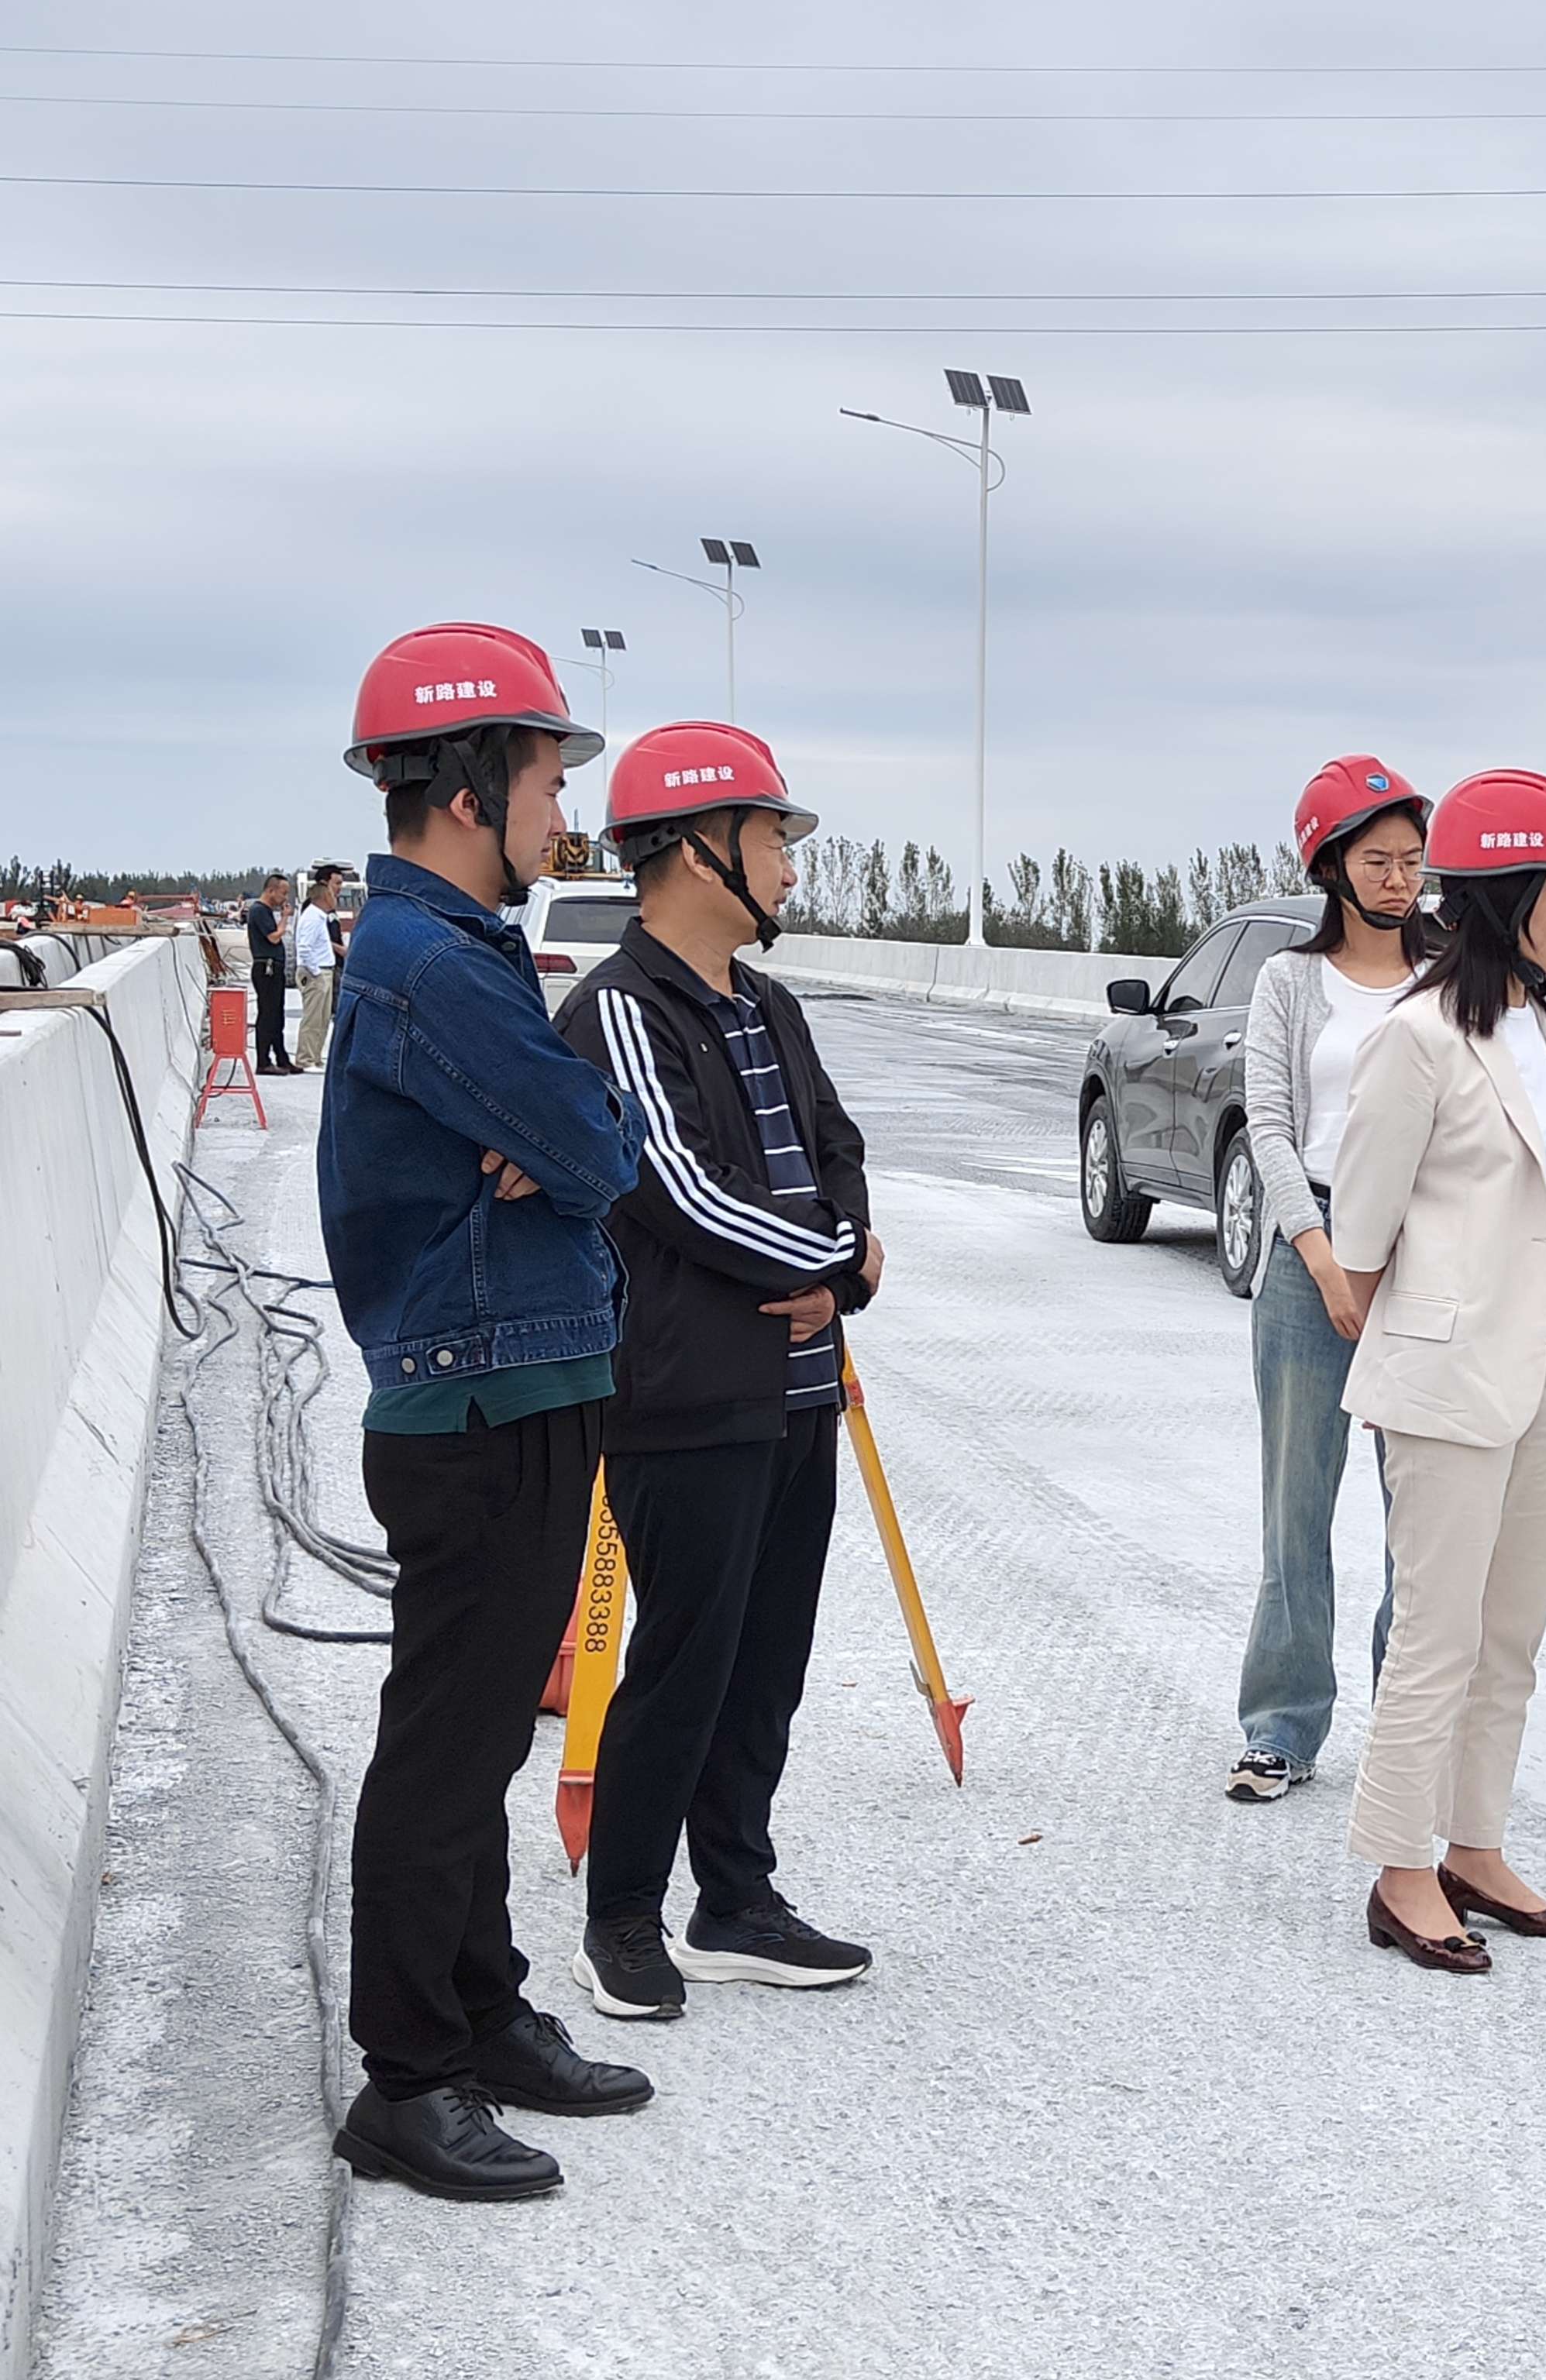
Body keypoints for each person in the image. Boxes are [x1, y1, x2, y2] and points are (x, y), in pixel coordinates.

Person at [318, 623, 652, 2203]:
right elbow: (600, 1148)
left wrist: (570, 1135)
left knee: (475, 1737)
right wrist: (569, 1139)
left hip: (519, 1378)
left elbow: (584, 1135)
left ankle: (480, 2009)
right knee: (447, 1748)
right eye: (544, 778)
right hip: (477, 1399)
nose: (559, 812)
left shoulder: (456, 951)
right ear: (469, 789)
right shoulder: (435, 966)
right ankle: (407, 2075)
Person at [556, 721, 883, 2020]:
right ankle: (621, 1918)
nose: (790, 867)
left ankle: (735, 1900)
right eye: (771, 839)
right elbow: (678, 1191)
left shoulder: (768, 1005)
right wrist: (830, 1260)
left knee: (767, 1657)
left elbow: (838, 1146)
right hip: (686, 1393)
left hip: (797, 1390)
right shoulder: (619, 1010)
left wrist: (842, 1274)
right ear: (700, 850)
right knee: (684, 1658)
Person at [1331, 769, 1546, 1973]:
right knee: (1436, 1636)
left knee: (1510, 1637)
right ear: (1507, 895)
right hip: (1453, 1380)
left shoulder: (1541, 1024)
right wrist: (1413, 1336)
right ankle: (1401, 1870)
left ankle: (1476, 1850)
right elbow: (1359, 1226)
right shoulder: (1416, 1037)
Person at [1224, 756, 1427, 1803]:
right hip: (1310, 1260)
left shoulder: (1448, 980)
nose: (1399, 879)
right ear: (1331, 867)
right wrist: (1317, 1253)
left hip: (1424, 1262)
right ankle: (1282, 1727)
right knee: (1296, 1509)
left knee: (1420, 1516)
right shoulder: (1288, 983)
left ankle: (1407, 1736)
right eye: (1377, 860)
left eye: (1413, 860)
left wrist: (1396, 1261)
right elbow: (1268, 1124)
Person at [294, 862, 345, 1068]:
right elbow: (304, 948)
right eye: (334, 891)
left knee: (322, 1019)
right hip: (317, 972)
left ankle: (315, 1057)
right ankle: (305, 1059)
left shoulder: (321, 916)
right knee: (313, 1019)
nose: (337, 896)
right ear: (324, 895)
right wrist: (315, 972)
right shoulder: (313, 917)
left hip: (326, 970)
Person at [245, 871, 294, 1073]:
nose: (285, 898)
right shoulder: (259, 911)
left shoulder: (265, 911)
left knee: (277, 1015)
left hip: (274, 967)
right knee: (267, 1015)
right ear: (271, 890)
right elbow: (273, 937)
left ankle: (281, 1057)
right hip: (266, 968)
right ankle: (263, 1061)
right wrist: (284, 919)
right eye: (283, 893)